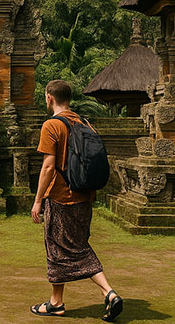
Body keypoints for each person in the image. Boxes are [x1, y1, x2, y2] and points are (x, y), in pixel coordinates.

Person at [30, 79, 122, 321]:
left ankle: (109, 293)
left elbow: (48, 167)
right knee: (62, 248)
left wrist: (38, 200)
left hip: (61, 197)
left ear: (49, 97)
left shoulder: (51, 125)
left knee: (70, 248)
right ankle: (55, 302)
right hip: (85, 195)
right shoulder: (83, 122)